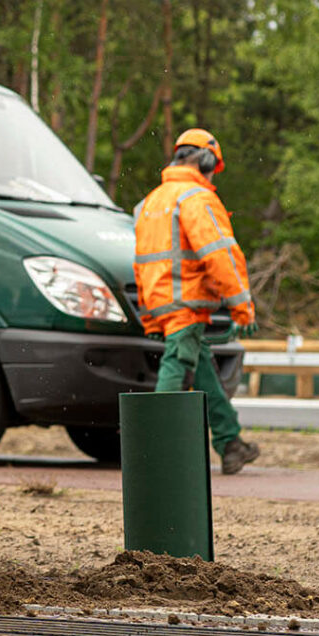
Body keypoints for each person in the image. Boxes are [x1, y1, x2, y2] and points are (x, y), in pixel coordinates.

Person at [132, 128, 261, 475]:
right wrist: (241, 305)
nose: (211, 177)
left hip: (162, 304)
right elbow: (220, 254)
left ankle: (230, 443)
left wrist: (151, 317)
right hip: (187, 303)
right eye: (212, 168)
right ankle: (153, 450)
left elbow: (142, 263)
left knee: (202, 369)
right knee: (177, 366)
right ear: (204, 161)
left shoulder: (150, 202)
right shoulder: (196, 199)